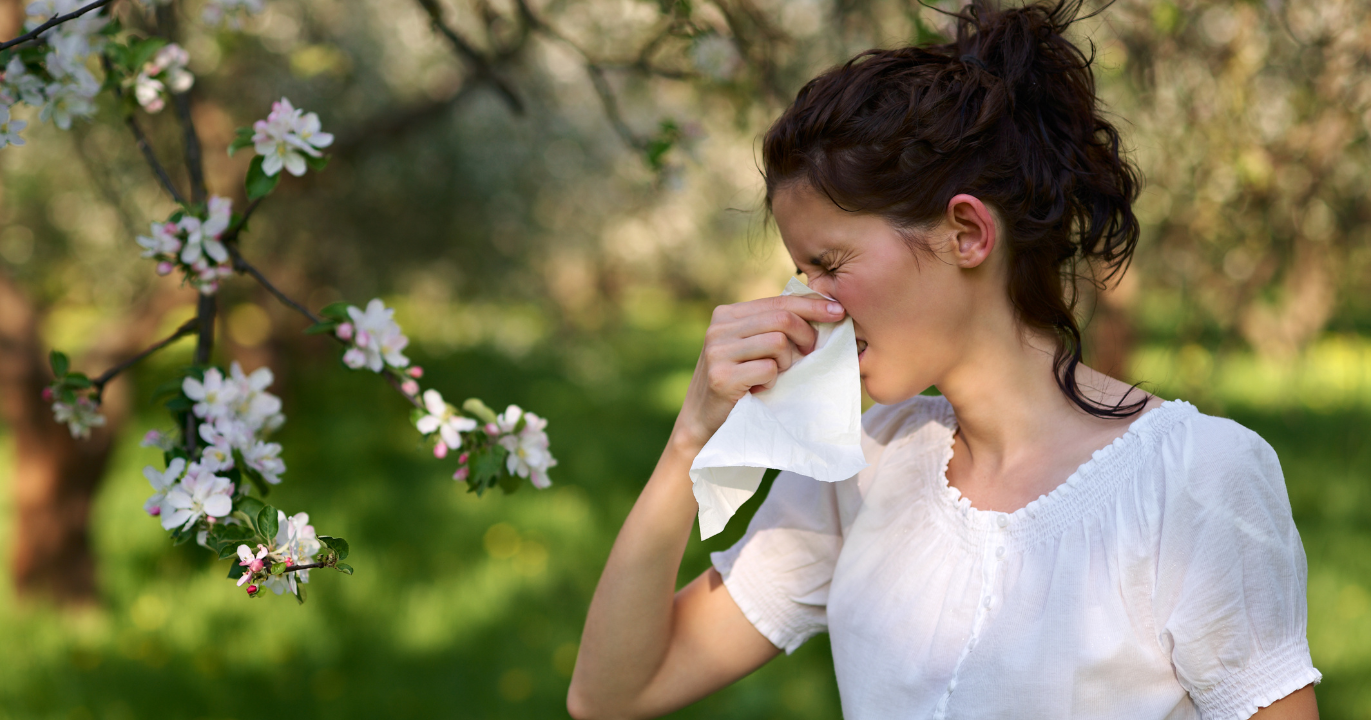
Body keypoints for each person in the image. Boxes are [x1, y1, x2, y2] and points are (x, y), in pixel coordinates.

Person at [567, 1, 1321, 717]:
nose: (808, 307)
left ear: (966, 232)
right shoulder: (860, 466)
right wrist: (691, 440)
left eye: (829, 264)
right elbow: (611, 695)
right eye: (802, 274)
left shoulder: (1192, 477)